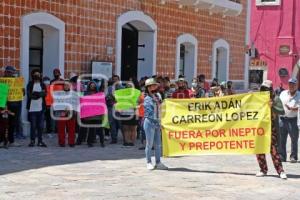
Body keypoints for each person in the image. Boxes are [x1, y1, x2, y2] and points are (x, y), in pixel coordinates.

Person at [256, 80, 287, 179]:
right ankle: (263, 169)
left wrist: (272, 105)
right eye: (263, 88)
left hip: (271, 128)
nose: (264, 91)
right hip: (259, 128)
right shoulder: (258, 99)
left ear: (270, 90)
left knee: (274, 151)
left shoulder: (276, 99)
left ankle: (280, 171)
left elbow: (282, 111)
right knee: (259, 149)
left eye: (266, 89)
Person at [143, 78, 168, 170]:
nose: (155, 87)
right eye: (153, 85)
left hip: (157, 122)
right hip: (150, 122)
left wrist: (161, 121)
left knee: (158, 144)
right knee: (149, 144)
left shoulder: (158, 95)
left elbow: (161, 109)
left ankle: (158, 162)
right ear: (148, 88)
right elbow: (150, 112)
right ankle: (148, 162)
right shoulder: (146, 98)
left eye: (155, 85)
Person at [279, 78, 300, 163]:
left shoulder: (299, 94)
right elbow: (278, 103)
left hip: (293, 120)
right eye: (290, 84)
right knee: (281, 139)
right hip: (282, 119)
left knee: (294, 139)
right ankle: (282, 156)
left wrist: (293, 108)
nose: (291, 86)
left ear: (296, 85)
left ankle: (293, 157)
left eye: (293, 84)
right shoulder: (283, 93)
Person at [77, 81, 104, 147]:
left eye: (93, 85)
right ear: (89, 86)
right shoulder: (85, 93)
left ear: (95, 86)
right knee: (87, 128)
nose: (92, 86)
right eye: (91, 85)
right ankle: (84, 141)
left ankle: (96, 142)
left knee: (96, 128)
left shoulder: (99, 94)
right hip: (88, 113)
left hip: (96, 113)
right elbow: (82, 103)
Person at [4, 66, 25, 145]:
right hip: (4, 106)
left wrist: (22, 91)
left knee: (12, 124)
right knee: (4, 123)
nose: (9, 73)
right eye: (8, 72)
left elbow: (22, 94)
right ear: (5, 72)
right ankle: (3, 140)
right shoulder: (2, 80)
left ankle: (11, 141)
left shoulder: (17, 81)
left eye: (11, 72)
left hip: (14, 106)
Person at [27, 69, 47, 147]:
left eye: (38, 74)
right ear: (33, 75)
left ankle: (40, 141)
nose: (37, 76)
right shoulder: (30, 84)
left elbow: (45, 94)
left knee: (41, 126)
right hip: (32, 109)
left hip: (41, 109)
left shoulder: (42, 84)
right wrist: (39, 94)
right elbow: (30, 96)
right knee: (33, 126)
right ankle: (32, 141)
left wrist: (36, 94)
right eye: (35, 74)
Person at [119, 79, 140, 146]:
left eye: (130, 85)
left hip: (134, 113)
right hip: (125, 112)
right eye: (128, 85)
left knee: (133, 128)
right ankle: (126, 141)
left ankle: (132, 141)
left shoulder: (137, 93)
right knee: (125, 128)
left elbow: (140, 102)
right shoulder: (122, 93)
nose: (129, 86)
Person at [56, 80, 76, 147]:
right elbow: (57, 103)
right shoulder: (59, 94)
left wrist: (70, 108)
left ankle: (71, 142)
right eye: (65, 85)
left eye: (67, 85)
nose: (66, 86)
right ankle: (62, 142)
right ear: (63, 86)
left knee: (71, 129)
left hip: (71, 113)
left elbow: (76, 103)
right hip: (62, 113)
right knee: (61, 129)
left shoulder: (74, 94)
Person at [106, 75, 123, 144]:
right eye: (114, 79)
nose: (115, 80)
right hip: (110, 107)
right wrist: (109, 98)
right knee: (111, 123)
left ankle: (125, 138)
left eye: (116, 79)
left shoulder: (122, 88)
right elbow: (106, 97)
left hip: (119, 107)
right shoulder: (109, 88)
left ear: (119, 80)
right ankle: (114, 138)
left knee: (121, 123)